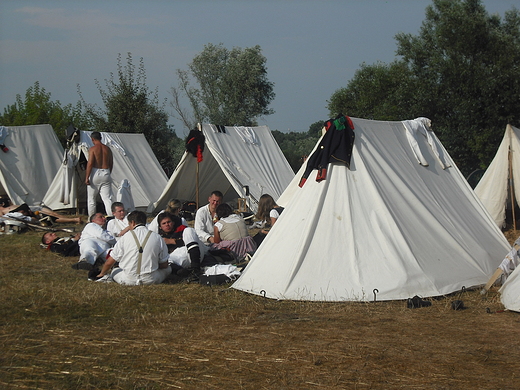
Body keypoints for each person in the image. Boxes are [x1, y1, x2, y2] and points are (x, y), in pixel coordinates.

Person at [96, 211, 171, 285]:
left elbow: (109, 262)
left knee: (115, 270)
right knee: (168, 269)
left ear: (133, 223)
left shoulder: (125, 237)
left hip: (128, 279)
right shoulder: (157, 237)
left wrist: (101, 274)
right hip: (151, 279)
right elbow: (164, 264)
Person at [85, 131, 114, 217]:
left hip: (95, 172)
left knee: (91, 199)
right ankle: (111, 217)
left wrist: (87, 177)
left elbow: (90, 163)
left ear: (92, 139)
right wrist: (108, 173)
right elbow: (111, 163)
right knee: (107, 198)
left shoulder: (93, 149)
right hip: (106, 171)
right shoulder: (107, 149)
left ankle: (92, 218)